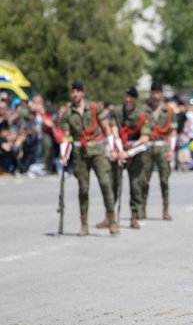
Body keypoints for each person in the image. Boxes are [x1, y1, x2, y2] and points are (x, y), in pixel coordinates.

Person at [59, 82, 118, 236]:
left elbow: (106, 128)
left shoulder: (94, 107)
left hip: (97, 149)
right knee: (83, 189)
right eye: (73, 92)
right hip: (80, 152)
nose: (75, 94)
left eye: (78, 91)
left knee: (105, 183)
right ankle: (84, 224)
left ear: (83, 93)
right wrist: (63, 155)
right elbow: (66, 137)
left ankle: (111, 220)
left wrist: (112, 149)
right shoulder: (67, 114)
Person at [105, 87, 151, 229]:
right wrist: (118, 151)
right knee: (114, 183)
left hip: (136, 151)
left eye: (131, 97)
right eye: (126, 96)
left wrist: (128, 152)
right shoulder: (117, 112)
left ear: (135, 99)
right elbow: (114, 131)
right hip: (120, 148)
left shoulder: (142, 113)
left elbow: (144, 137)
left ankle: (134, 216)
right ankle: (110, 216)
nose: (128, 100)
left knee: (136, 184)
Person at [142, 82, 178, 221]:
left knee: (164, 180)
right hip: (148, 146)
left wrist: (172, 150)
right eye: (153, 92)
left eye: (158, 92)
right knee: (144, 179)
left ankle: (165, 209)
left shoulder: (168, 110)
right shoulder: (145, 110)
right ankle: (142, 208)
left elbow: (173, 131)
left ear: (161, 94)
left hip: (162, 146)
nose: (155, 95)